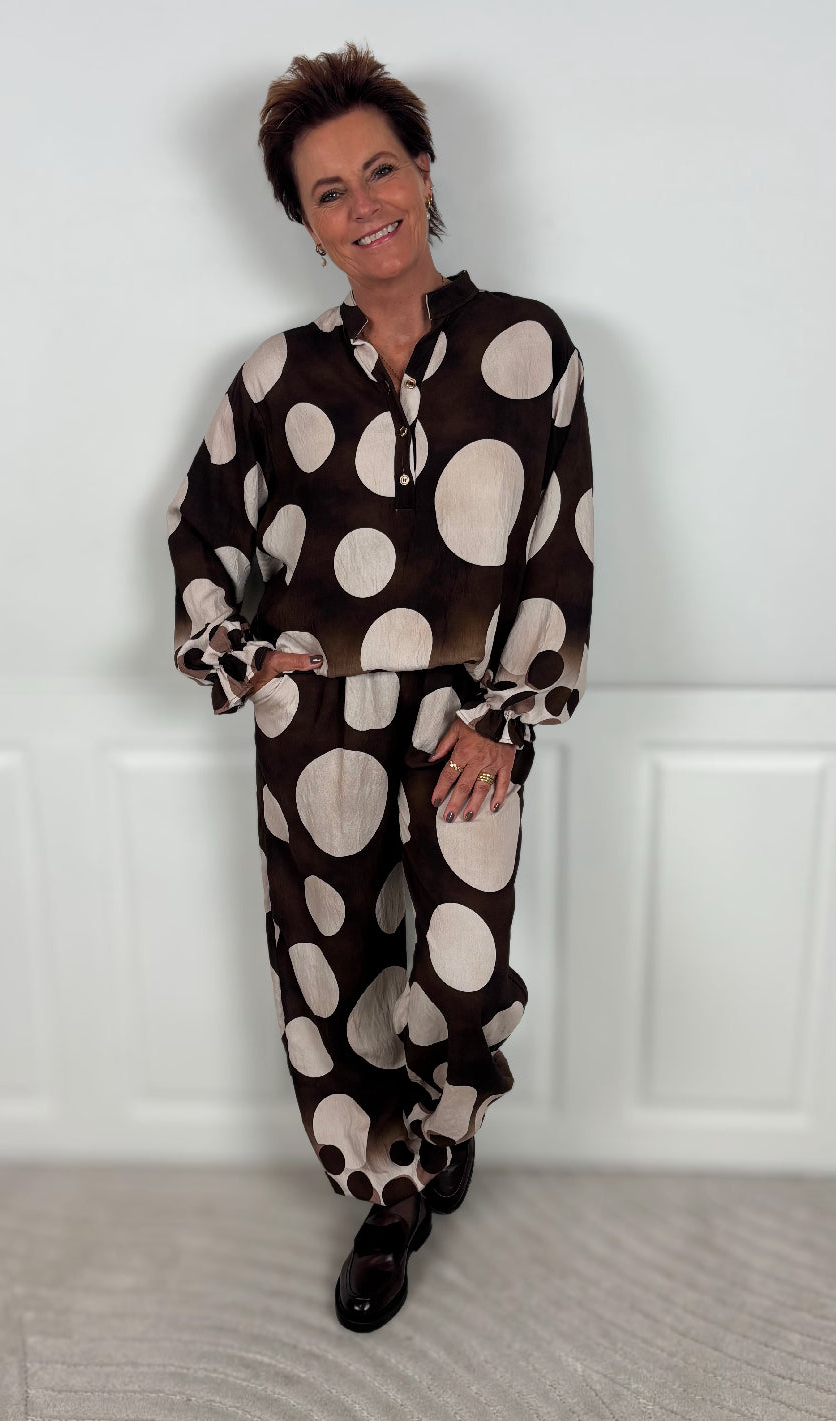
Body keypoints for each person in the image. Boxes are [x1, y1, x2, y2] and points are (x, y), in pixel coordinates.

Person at [166, 41, 594, 1332]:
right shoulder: (274, 375)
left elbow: (558, 547)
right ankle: (392, 1190)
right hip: (320, 720)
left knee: (459, 966)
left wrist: (510, 717)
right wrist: (247, 659)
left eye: (380, 170)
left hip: (468, 713)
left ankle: (450, 1110)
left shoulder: (529, 346)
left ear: (425, 172)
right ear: (305, 223)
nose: (365, 205)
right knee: (335, 964)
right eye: (329, 191)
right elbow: (202, 530)